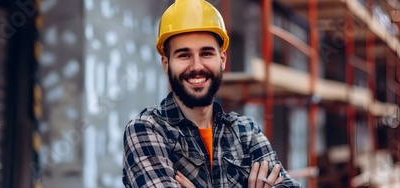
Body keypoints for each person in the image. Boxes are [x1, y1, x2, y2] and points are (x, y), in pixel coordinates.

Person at [122, 0, 301, 187]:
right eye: (184, 55)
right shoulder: (146, 129)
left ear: (222, 59)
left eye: (206, 53)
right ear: (166, 64)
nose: (197, 66)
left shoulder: (245, 132)